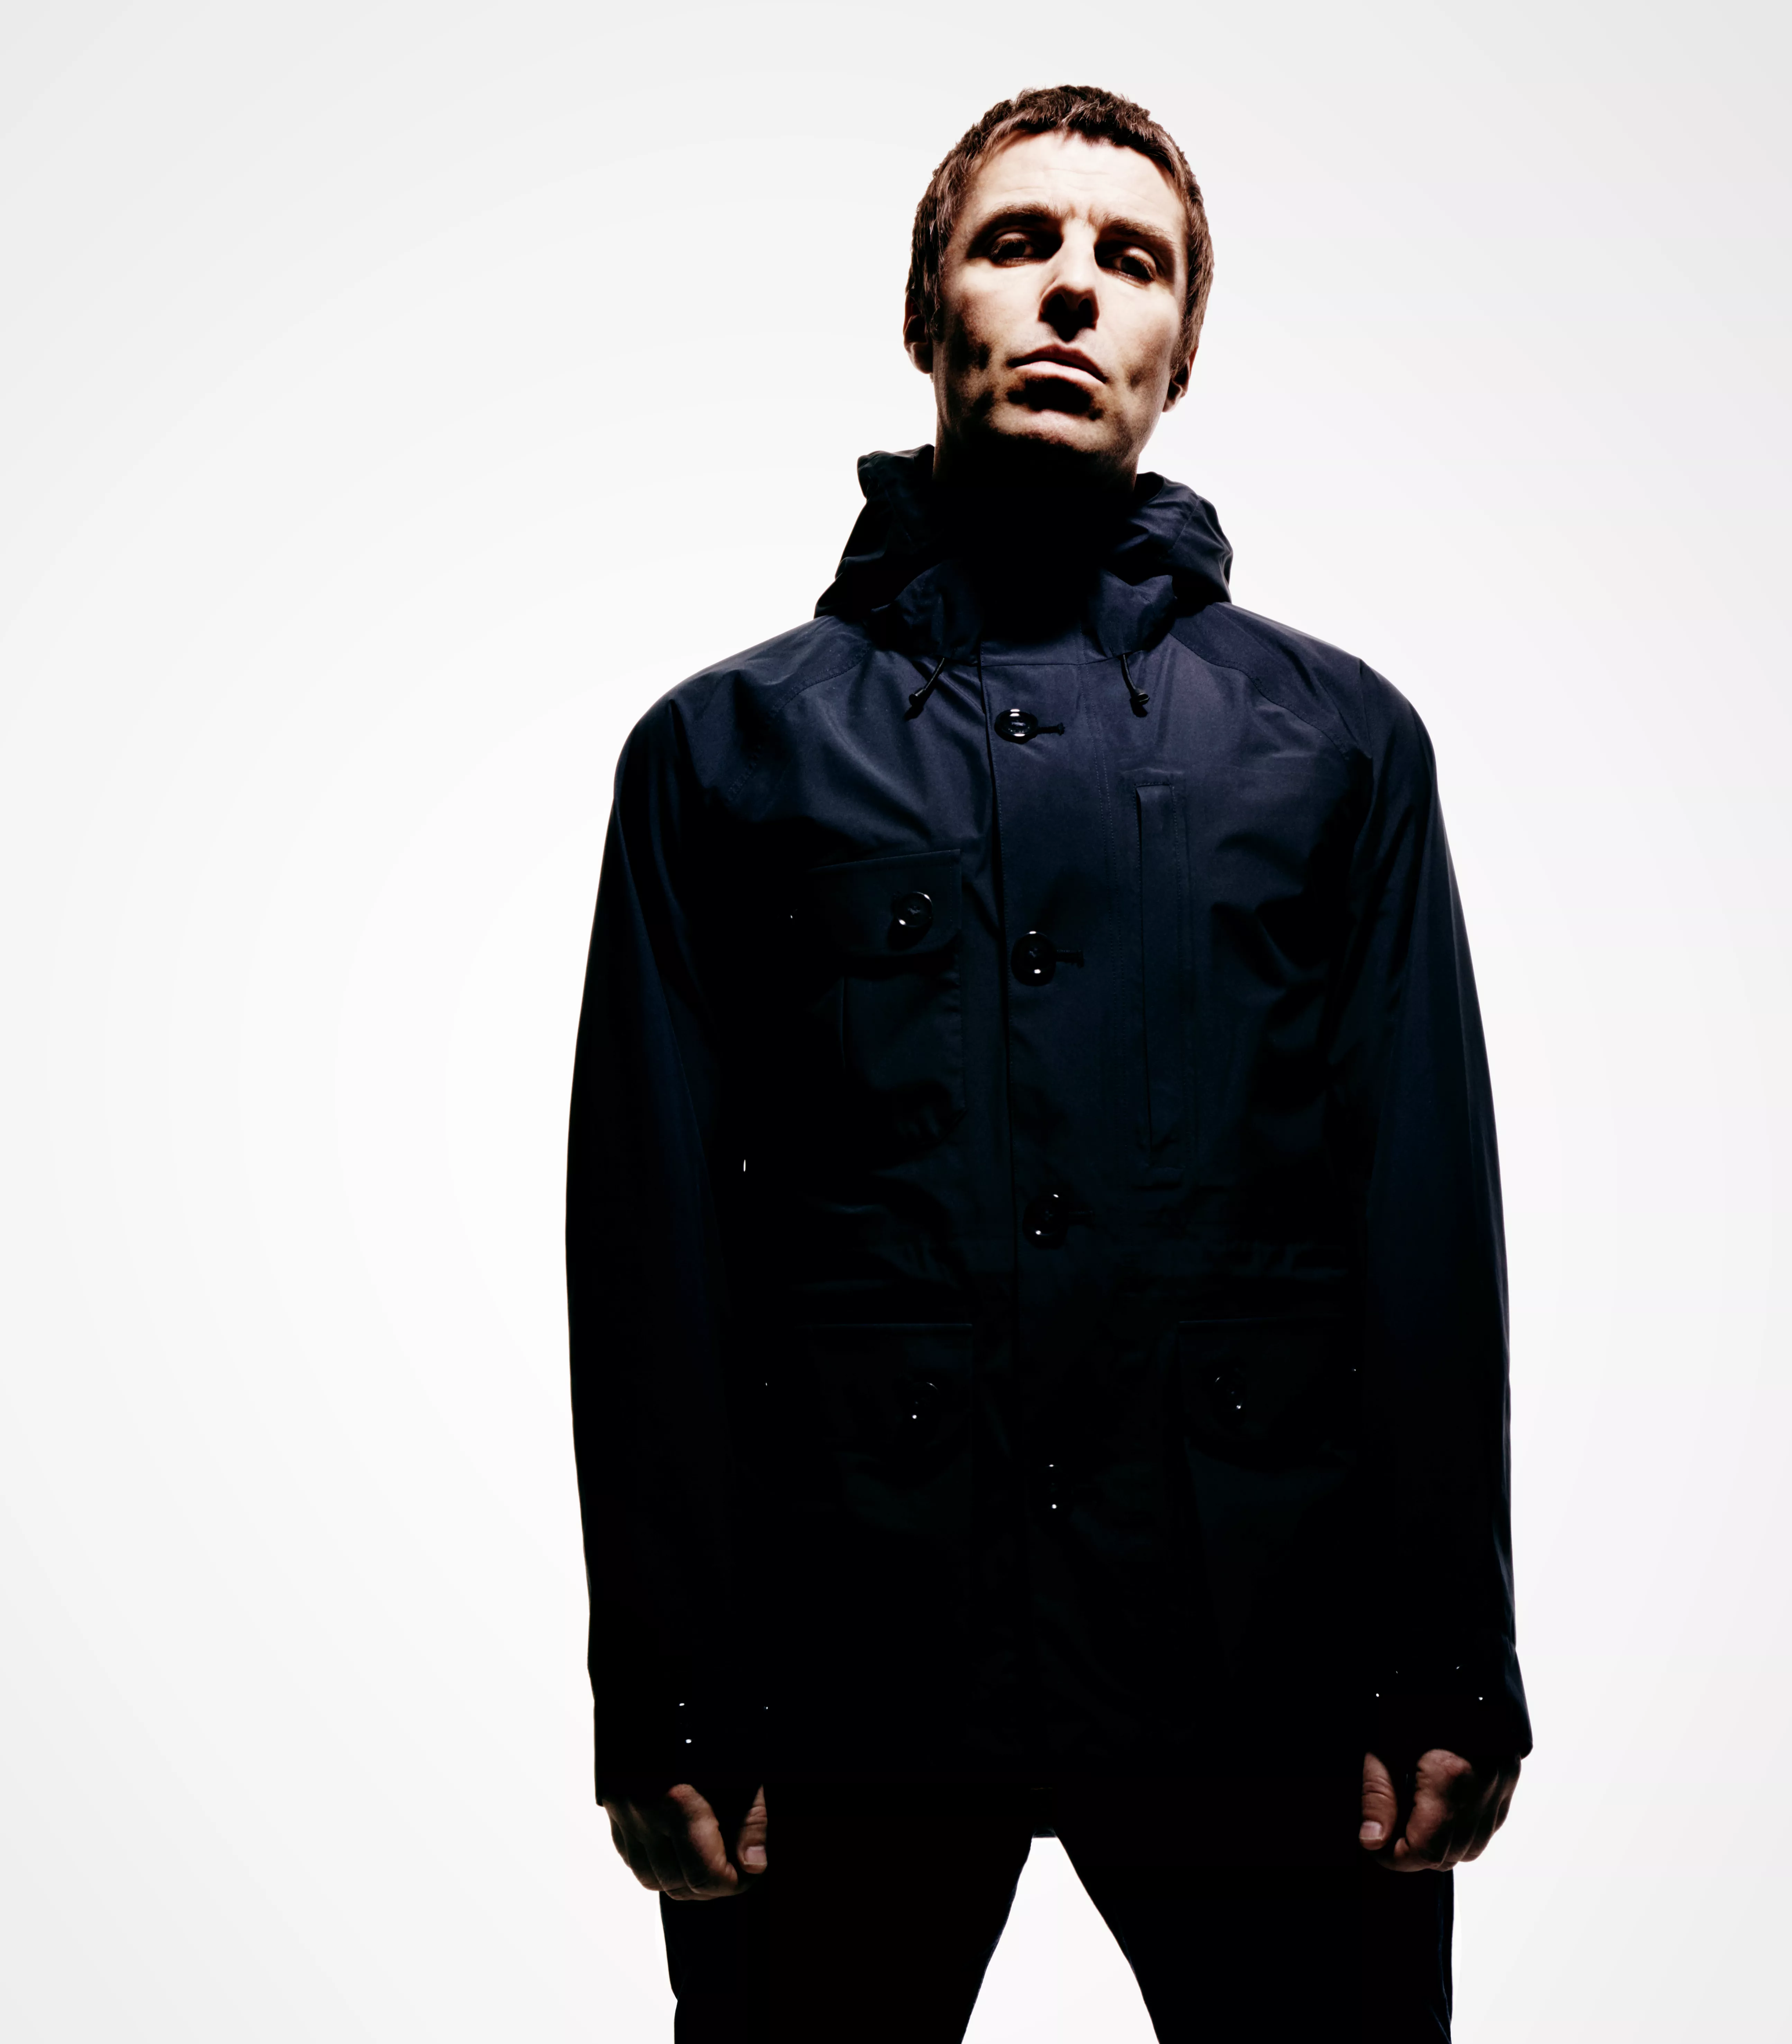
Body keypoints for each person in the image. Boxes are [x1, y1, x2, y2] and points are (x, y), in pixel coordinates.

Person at [567, 83, 1528, 2042]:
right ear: (929, 313)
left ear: (1183, 345)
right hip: (850, 1657)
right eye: (1019, 244)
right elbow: (653, 1249)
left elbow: (1422, 1218)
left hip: (1259, 1643)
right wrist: (665, 1688)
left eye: (1131, 259)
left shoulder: (1336, 745)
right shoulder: (725, 754)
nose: (1074, 289)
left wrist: (1446, 1657)